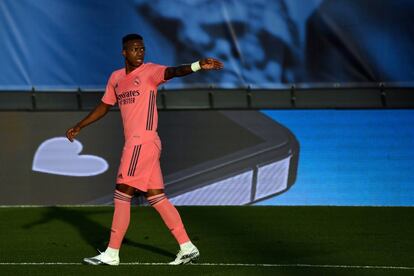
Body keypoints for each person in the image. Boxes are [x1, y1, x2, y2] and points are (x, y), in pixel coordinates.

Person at [66, 33, 223, 265]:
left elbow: (173, 71)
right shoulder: (116, 78)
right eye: (135, 49)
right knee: (157, 197)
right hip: (139, 143)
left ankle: (111, 253)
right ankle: (187, 247)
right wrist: (80, 125)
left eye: (142, 48)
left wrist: (198, 65)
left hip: (143, 141)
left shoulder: (150, 71)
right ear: (124, 52)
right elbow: (104, 105)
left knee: (122, 194)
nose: (140, 52)